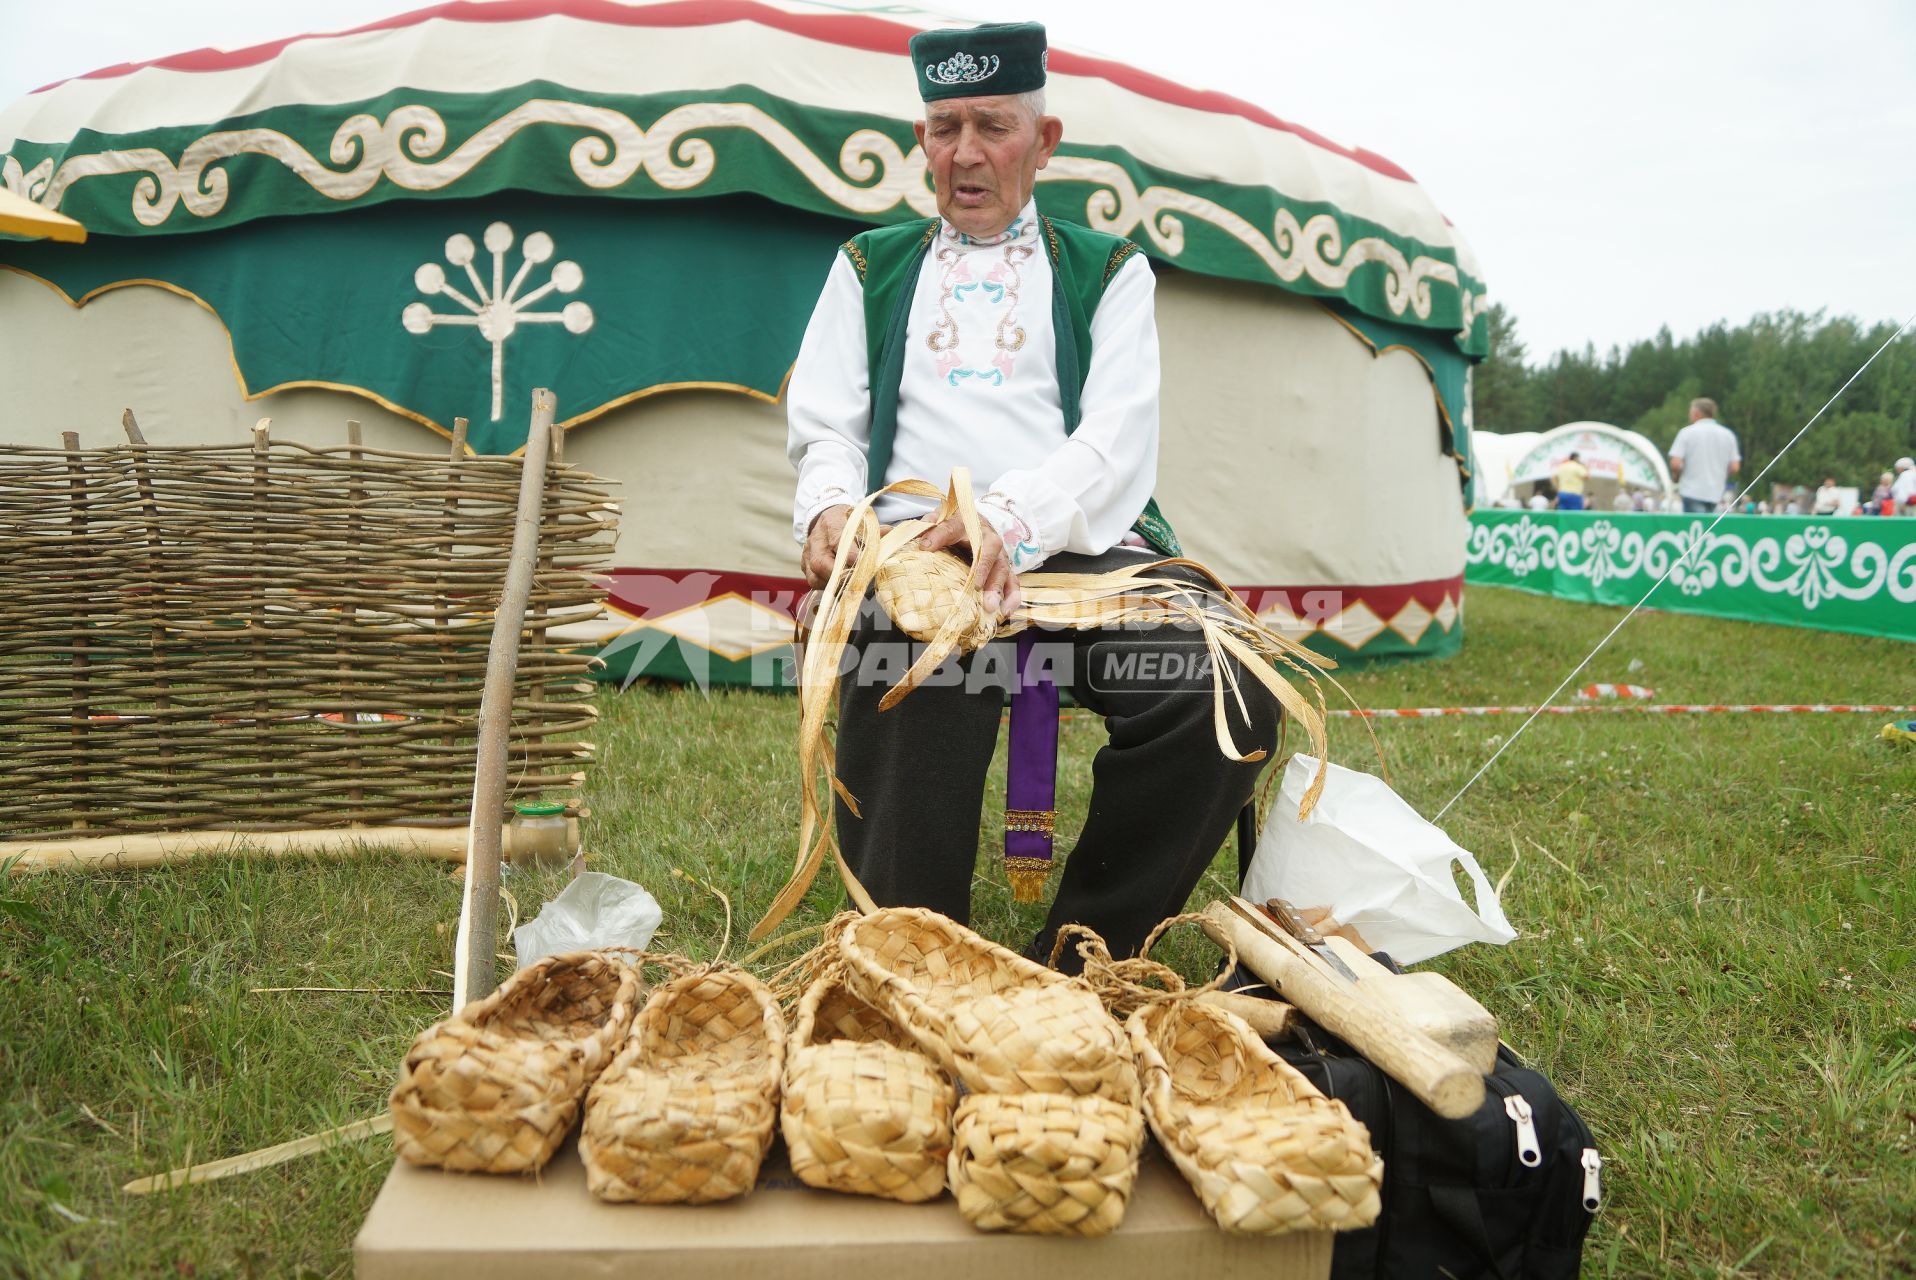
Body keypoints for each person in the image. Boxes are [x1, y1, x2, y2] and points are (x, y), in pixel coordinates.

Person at [785, 21, 1277, 964]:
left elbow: (1115, 443)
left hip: (1087, 562)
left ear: (1043, 142)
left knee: (1226, 688)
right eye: (944, 127)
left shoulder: (1107, 270)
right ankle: (910, 955)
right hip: (921, 560)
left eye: (994, 127)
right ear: (922, 140)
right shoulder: (868, 268)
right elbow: (826, 427)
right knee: (909, 656)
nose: (966, 154)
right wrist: (834, 509)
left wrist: (1004, 521)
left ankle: (1085, 955)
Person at [1669, 398, 1741, 514]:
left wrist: (1677, 476)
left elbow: (1676, 464)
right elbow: (1735, 467)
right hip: (1716, 492)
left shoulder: (1686, 433)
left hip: (1691, 490)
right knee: (1711, 528)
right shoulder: (1728, 435)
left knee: (1696, 529)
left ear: (1696, 413)